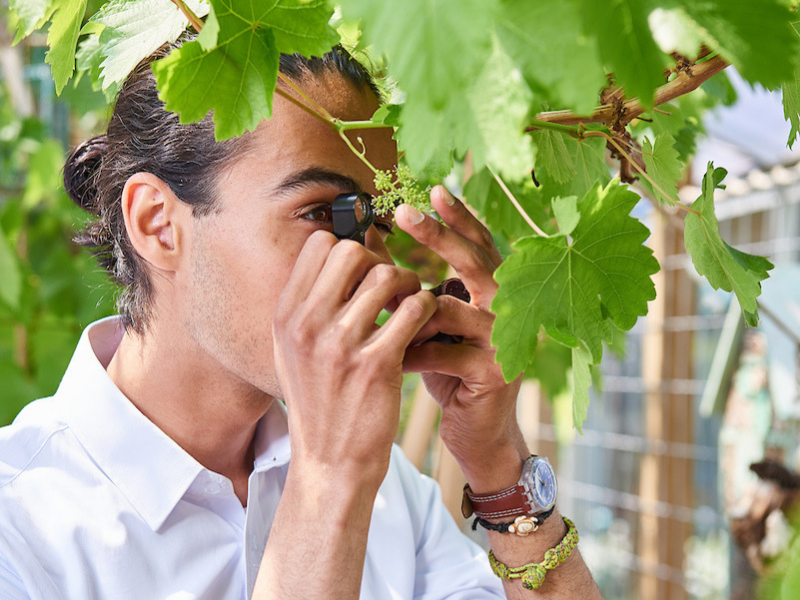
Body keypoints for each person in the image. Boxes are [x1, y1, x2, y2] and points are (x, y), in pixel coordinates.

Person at [0, 42, 602, 600]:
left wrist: (497, 461)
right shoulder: (19, 524)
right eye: (321, 213)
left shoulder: (392, 492)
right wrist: (330, 483)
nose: (373, 269)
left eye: (377, 226)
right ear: (158, 223)